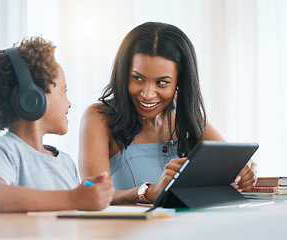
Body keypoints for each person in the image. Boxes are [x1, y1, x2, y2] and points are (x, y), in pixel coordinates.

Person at [78, 22, 257, 205]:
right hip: (128, 232)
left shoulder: (183, 112)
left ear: (180, 82)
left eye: (162, 82)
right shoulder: (98, 117)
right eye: (138, 78)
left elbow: (229, 162)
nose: (147, 94)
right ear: (124, 73)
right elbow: (91, 193)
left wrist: (242, 170)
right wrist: (147, 191)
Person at [0, 36, 114, 212]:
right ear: (32, 99)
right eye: (64, 91)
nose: (69, 103)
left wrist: (88, 191)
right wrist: (74, 198)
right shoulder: (6, 149)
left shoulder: (65, 163)